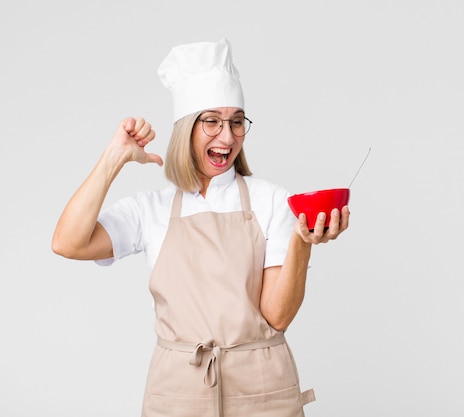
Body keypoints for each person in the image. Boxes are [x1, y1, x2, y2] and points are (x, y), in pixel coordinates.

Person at [51, 38, 349, 417]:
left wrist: (301, 242)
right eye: (211, 121)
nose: (227, 137)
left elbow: (277, 316)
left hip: (261, 390)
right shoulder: (151, 209)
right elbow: (67, 243)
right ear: (186, 128)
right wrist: (114, 158)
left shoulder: (272, 200)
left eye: (237, 122)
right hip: (178, 393)